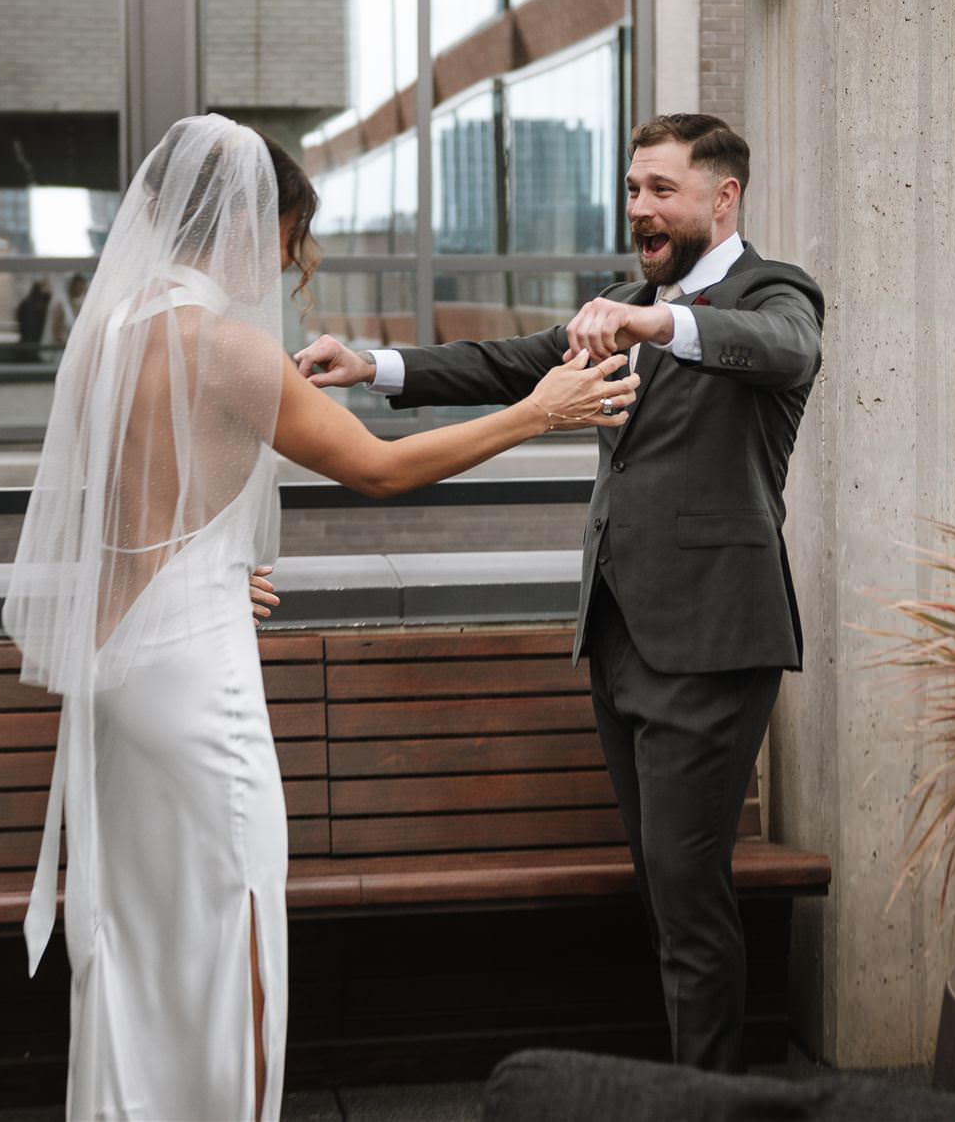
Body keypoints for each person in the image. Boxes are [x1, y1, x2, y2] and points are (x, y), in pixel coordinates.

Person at [7, 114, 635, 1122]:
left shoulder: (109, 338)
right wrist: (537, 413)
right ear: (252, 223)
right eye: (286, 232)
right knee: (237, 910)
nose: (286, 257)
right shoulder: (227, 348)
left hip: (120, 660)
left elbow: (132, 513)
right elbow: (380, 469)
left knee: (142, 922)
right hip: (193, 680)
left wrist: (209, 569)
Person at [296, 113, 823, 1073]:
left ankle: (707, 1100)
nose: (640, 209)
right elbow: (509, 362)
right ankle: (689, 1088)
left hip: (712, 643)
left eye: (661, 189)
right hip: (619, 638)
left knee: (691, 895)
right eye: (632, 189)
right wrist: (375, 365)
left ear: (722, 196)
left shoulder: (773, 294)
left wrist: (654, 320)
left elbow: (781, 348)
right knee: (664, 892)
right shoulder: (619, 300)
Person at [49, 271, 88, 346]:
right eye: (79, 287)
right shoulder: (61, 306)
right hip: (63, 349)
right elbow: (57, 332)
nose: (81, 290)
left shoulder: (80, 305)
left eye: (83, 287)